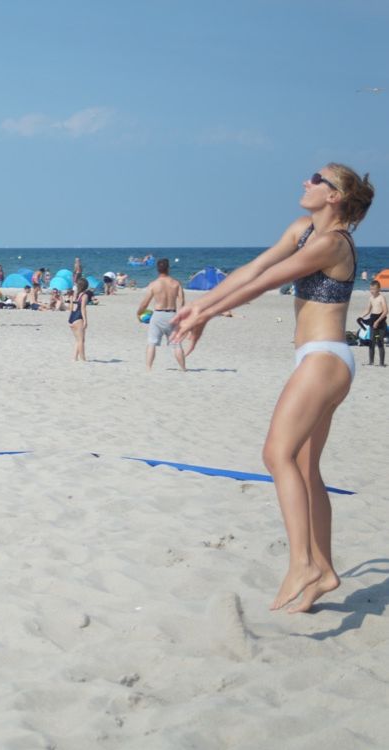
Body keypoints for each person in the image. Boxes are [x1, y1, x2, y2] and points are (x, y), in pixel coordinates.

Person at [171, 164, 374, 612]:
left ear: (335, 196)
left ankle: (302, 564)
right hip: (319, 360)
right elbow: (254, 268)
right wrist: (200, 306)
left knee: (275, 455)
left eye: (317, 179)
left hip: (325, 359)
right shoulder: (303, 229)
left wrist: (206, 315)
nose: (307, 182)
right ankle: (325, 571)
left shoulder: (331, 243)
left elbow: (268, 282)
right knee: (305, 468)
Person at [137, 257, 186, 371]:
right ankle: (183, 368)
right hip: (172, 314)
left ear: (157, 269)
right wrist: (180, 315)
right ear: (168, 268)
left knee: (151, 343)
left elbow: (145, 303)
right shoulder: (176, 283)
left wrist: (138, 313)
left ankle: (148, 368)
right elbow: (182, 301)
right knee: (177, 344)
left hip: (158, 315)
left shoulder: (154, 284)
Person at [357, 280, 387, 366]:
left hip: (380, 323)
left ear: (379, 289)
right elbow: (368, 310)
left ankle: (381, 363)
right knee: (371, 342)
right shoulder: (370, 298)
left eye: (374, 289)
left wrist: (377, 321)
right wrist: (361, 316)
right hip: (373, 321)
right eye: (370, 289)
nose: (372, 291)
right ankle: (371, 362)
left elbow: (385, 311)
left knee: (379, 342)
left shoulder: (381, 298)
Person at [68, 278, 90, 361]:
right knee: (81, 340)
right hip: (78, 317)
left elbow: (70, 308)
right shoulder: (84, 295)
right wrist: (85, 321)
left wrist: (70, 319)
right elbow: (83, 308)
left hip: (72, 317)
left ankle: (75, 358)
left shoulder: (73, 295)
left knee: (78, 340)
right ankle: (83, 358)